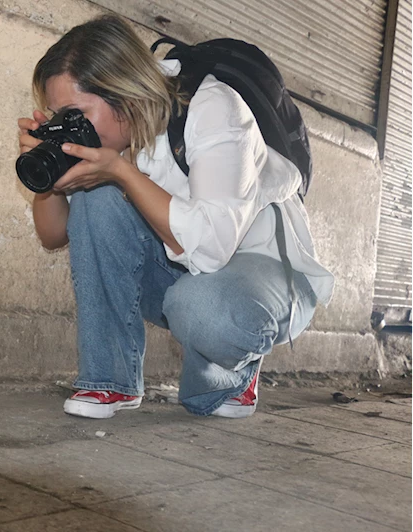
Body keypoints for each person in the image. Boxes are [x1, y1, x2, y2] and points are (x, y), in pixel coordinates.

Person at [17, 15, 334, 419]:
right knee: (99, 198)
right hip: (186, 271)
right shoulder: (110, 139)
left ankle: (234, 372)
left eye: (75, 113)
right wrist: (44, 172)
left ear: (125, 95)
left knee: (199, 308)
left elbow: (212, 251)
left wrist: (121, 171)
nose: (68, 127)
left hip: (266, 274)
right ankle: (109, 381)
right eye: (58, 114)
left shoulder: (214, 108)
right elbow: (53, 234)